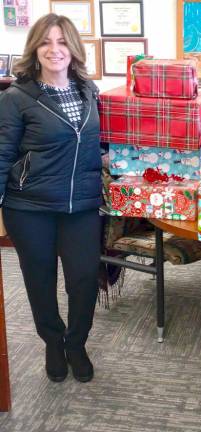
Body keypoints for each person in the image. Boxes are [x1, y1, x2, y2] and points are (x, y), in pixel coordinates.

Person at [0, 14, 102, 383]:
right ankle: (52, 342)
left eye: (62, 42)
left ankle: (76, 343)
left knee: (84, 278)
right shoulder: (16, 98)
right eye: (46, 42)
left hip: (82, 206)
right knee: (39, 280)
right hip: (30, 207)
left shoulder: (89, 91)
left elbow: (96, 145)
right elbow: (2, 153)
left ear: (73, 48)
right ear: (35, 49)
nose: (54, 50)